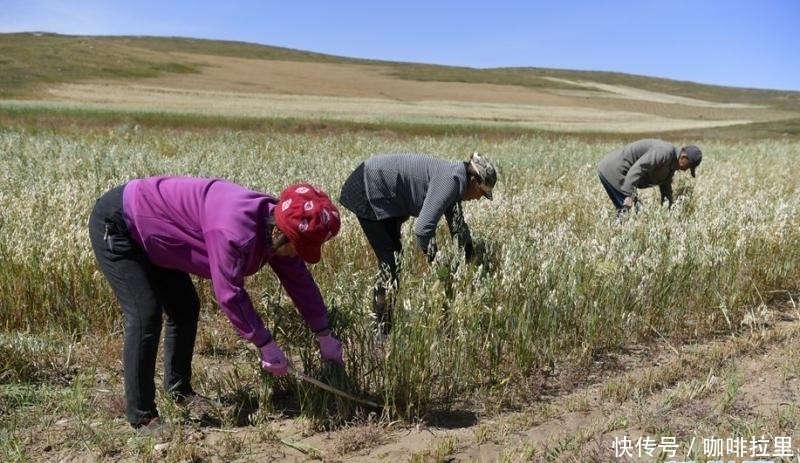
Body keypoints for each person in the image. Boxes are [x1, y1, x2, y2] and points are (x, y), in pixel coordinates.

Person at [88, 177, 344, 430]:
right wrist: (264, 343)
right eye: (299, 247)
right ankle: (141, 415)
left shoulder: (276, 226)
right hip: (120, 223)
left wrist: (323, 332)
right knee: (146, 314)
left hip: (158, 236)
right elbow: (229, 294)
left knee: (184, 307)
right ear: (280, 232)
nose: (298, 254)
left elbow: (299, 280)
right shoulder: (234, 231)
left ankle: (180, 391)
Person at [338, 152, 497, 334]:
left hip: (385, 190)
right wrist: (440, 268)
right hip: (370, 185)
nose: (478, 199)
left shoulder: (456, 178)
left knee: (393, 260)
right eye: (481, 193)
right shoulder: (451, 181)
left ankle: (382, 325)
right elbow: (422, 231)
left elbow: (458, 225)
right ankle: (380, 329)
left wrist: (472, 259)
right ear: (474, 181)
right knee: (390, 263)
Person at [597, 139, 702, 215]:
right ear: (683, 157)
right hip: (615, 170)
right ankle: (616, 235)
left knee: (637, 212)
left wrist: (669, 211)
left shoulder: (672, 163)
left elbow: (665, 188)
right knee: (632, 211)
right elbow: (638, 168)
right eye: (688, 167)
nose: (685, 170)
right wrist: (629, 195)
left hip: (621, 173)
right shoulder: (664, 152)